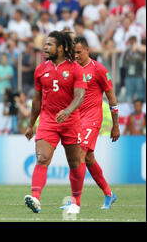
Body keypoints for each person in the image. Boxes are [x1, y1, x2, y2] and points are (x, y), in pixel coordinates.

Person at [24, 31, 87, 215]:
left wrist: (67, 111)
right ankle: (35, 198)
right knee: (42, 158)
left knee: (75, 162)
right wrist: (30, 124)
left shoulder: (76, 68)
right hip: (48, 119)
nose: (45, 47)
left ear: (60, 48)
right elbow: (37, 100)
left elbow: (80, 96)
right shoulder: (40, 70)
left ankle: (76, 201)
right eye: (45, 44)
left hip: (70, 121)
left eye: (49, 44)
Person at [59, 36, 120, 210]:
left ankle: (74, 201)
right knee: (88, 158)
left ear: (87, 50)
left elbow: (112, 98)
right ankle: (109, 194)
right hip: (76, 118)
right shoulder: (72, 69)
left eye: (79, 52)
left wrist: (115, 125)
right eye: (74, 52)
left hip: (93, 118)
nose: (76, 55)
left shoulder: (98, 69)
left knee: (78, 156)